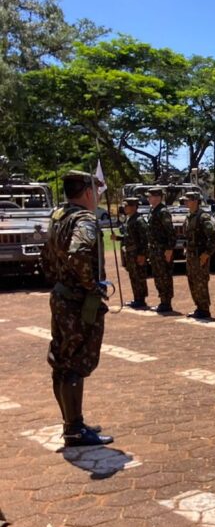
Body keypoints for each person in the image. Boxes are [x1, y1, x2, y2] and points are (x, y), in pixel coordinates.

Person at [41, 171, 114, 446]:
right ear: (87, 192)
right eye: (96, 190)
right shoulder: (84, 219)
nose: (98, 195)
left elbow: (46, 254)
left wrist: (60, 279)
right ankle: (74, 428)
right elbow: (79, 252)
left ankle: (72, 423)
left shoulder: (59, 216)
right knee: (75, 362)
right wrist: (91, 287)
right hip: (78, 302)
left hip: (61, 296)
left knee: (61, 361)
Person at [183, 192, 215, 319]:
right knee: (192, 281)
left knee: (200, 282)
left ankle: (204, 309)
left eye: (188, 200)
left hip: (200, 256)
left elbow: (214, 237)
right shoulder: (189, 216)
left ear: (195, 201)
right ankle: (199, 307)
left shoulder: (203, 217)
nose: (185, 202)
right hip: (191, 255)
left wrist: (207, 253)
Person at [146, 187, 175, 313]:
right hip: (154, 250)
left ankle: (166, 302)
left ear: (157, 197)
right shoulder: (153, 211)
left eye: (150, 196)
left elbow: (170, 232)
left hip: (162, 249)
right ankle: (162, 300)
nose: (148, 198)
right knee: (158, 275)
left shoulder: (162, 212)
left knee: (164, 275)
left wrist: (169, 249)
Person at [117, 197, 149, 309]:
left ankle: (141, 299)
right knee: (133, 276)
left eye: (126, 206)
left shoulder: (139, 220)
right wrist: (118, 238)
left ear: (133, 207)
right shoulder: (129, 219)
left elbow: (144, 239)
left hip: (136, 253)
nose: (124, 208)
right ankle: (137, 298)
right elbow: (129, 237)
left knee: (139, 276)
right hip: (130, 253)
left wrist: (142, 254)